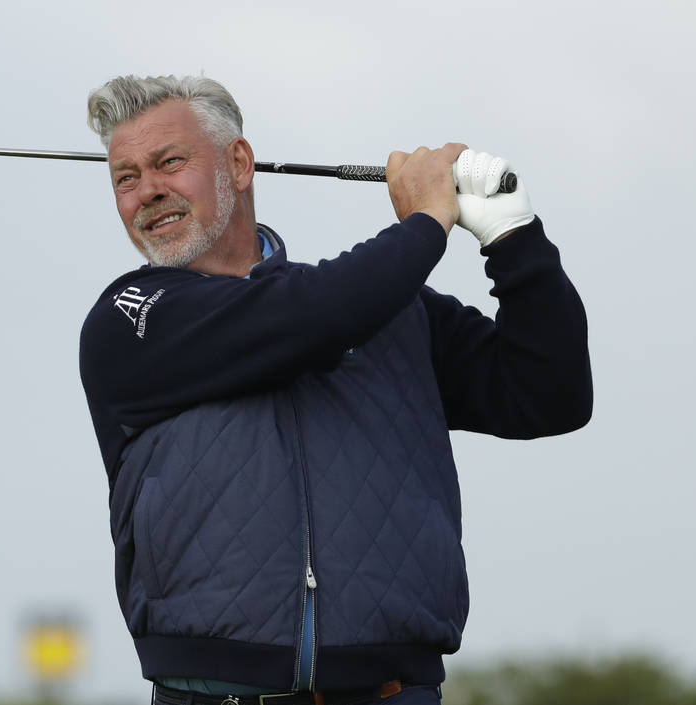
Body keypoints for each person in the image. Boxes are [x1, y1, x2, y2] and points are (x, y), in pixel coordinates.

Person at [78, 75, 592, 705]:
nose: (148, 191)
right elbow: (304, 317)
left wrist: (514, 236)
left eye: (170, 163)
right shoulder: (132, 318)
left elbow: (550, 393)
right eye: (125, 178)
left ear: (239, 164)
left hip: (393, 690)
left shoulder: (387, 310)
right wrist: (428, 220)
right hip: (214, 692)